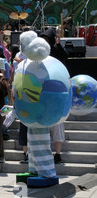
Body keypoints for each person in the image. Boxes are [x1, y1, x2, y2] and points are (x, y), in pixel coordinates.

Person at [40, 27, 68, 164]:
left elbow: (65, 56)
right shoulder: (41, 52)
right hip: (45, 92)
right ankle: (46, 153)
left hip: (56, 92)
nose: (45, 40)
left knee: (57, 127)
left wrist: (58, 44)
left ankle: (57, 154)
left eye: (47, 38)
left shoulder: (56, 49)